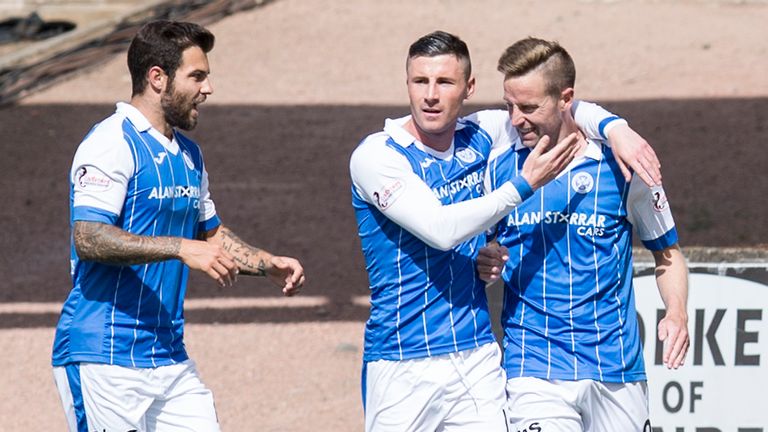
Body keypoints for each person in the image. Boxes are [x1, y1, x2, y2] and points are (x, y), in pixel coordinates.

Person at [350, 30, 662, 432]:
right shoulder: (377, 155)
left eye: (444, 82)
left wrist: (617, 128)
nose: (430, 95)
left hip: (477, 357)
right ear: (406, 83)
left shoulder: (483, 134)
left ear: (469, 88)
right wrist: (522, 186)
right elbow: (440, 231)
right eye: (419, 81)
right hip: (401, 358)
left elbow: (556, 105)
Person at [51, 20, 305, 431]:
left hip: (167, 355)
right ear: (157, 78)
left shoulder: (189, 155)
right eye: (197, 76)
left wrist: (264, 264)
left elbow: (210, 233)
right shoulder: (111, 142)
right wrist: (181, 248)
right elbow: (89, 237)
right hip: (104, 354)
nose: (208, 88)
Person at [477, 37, 689, 431]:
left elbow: (668, 255)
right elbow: (479, 247)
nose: (515, 119)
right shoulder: (498, 168)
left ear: (565, 98)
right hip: (534, 369)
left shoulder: (623, 167)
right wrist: (485, 258)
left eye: (528, 107)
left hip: (616, 366)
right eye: (509, 106)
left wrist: (676, 313)